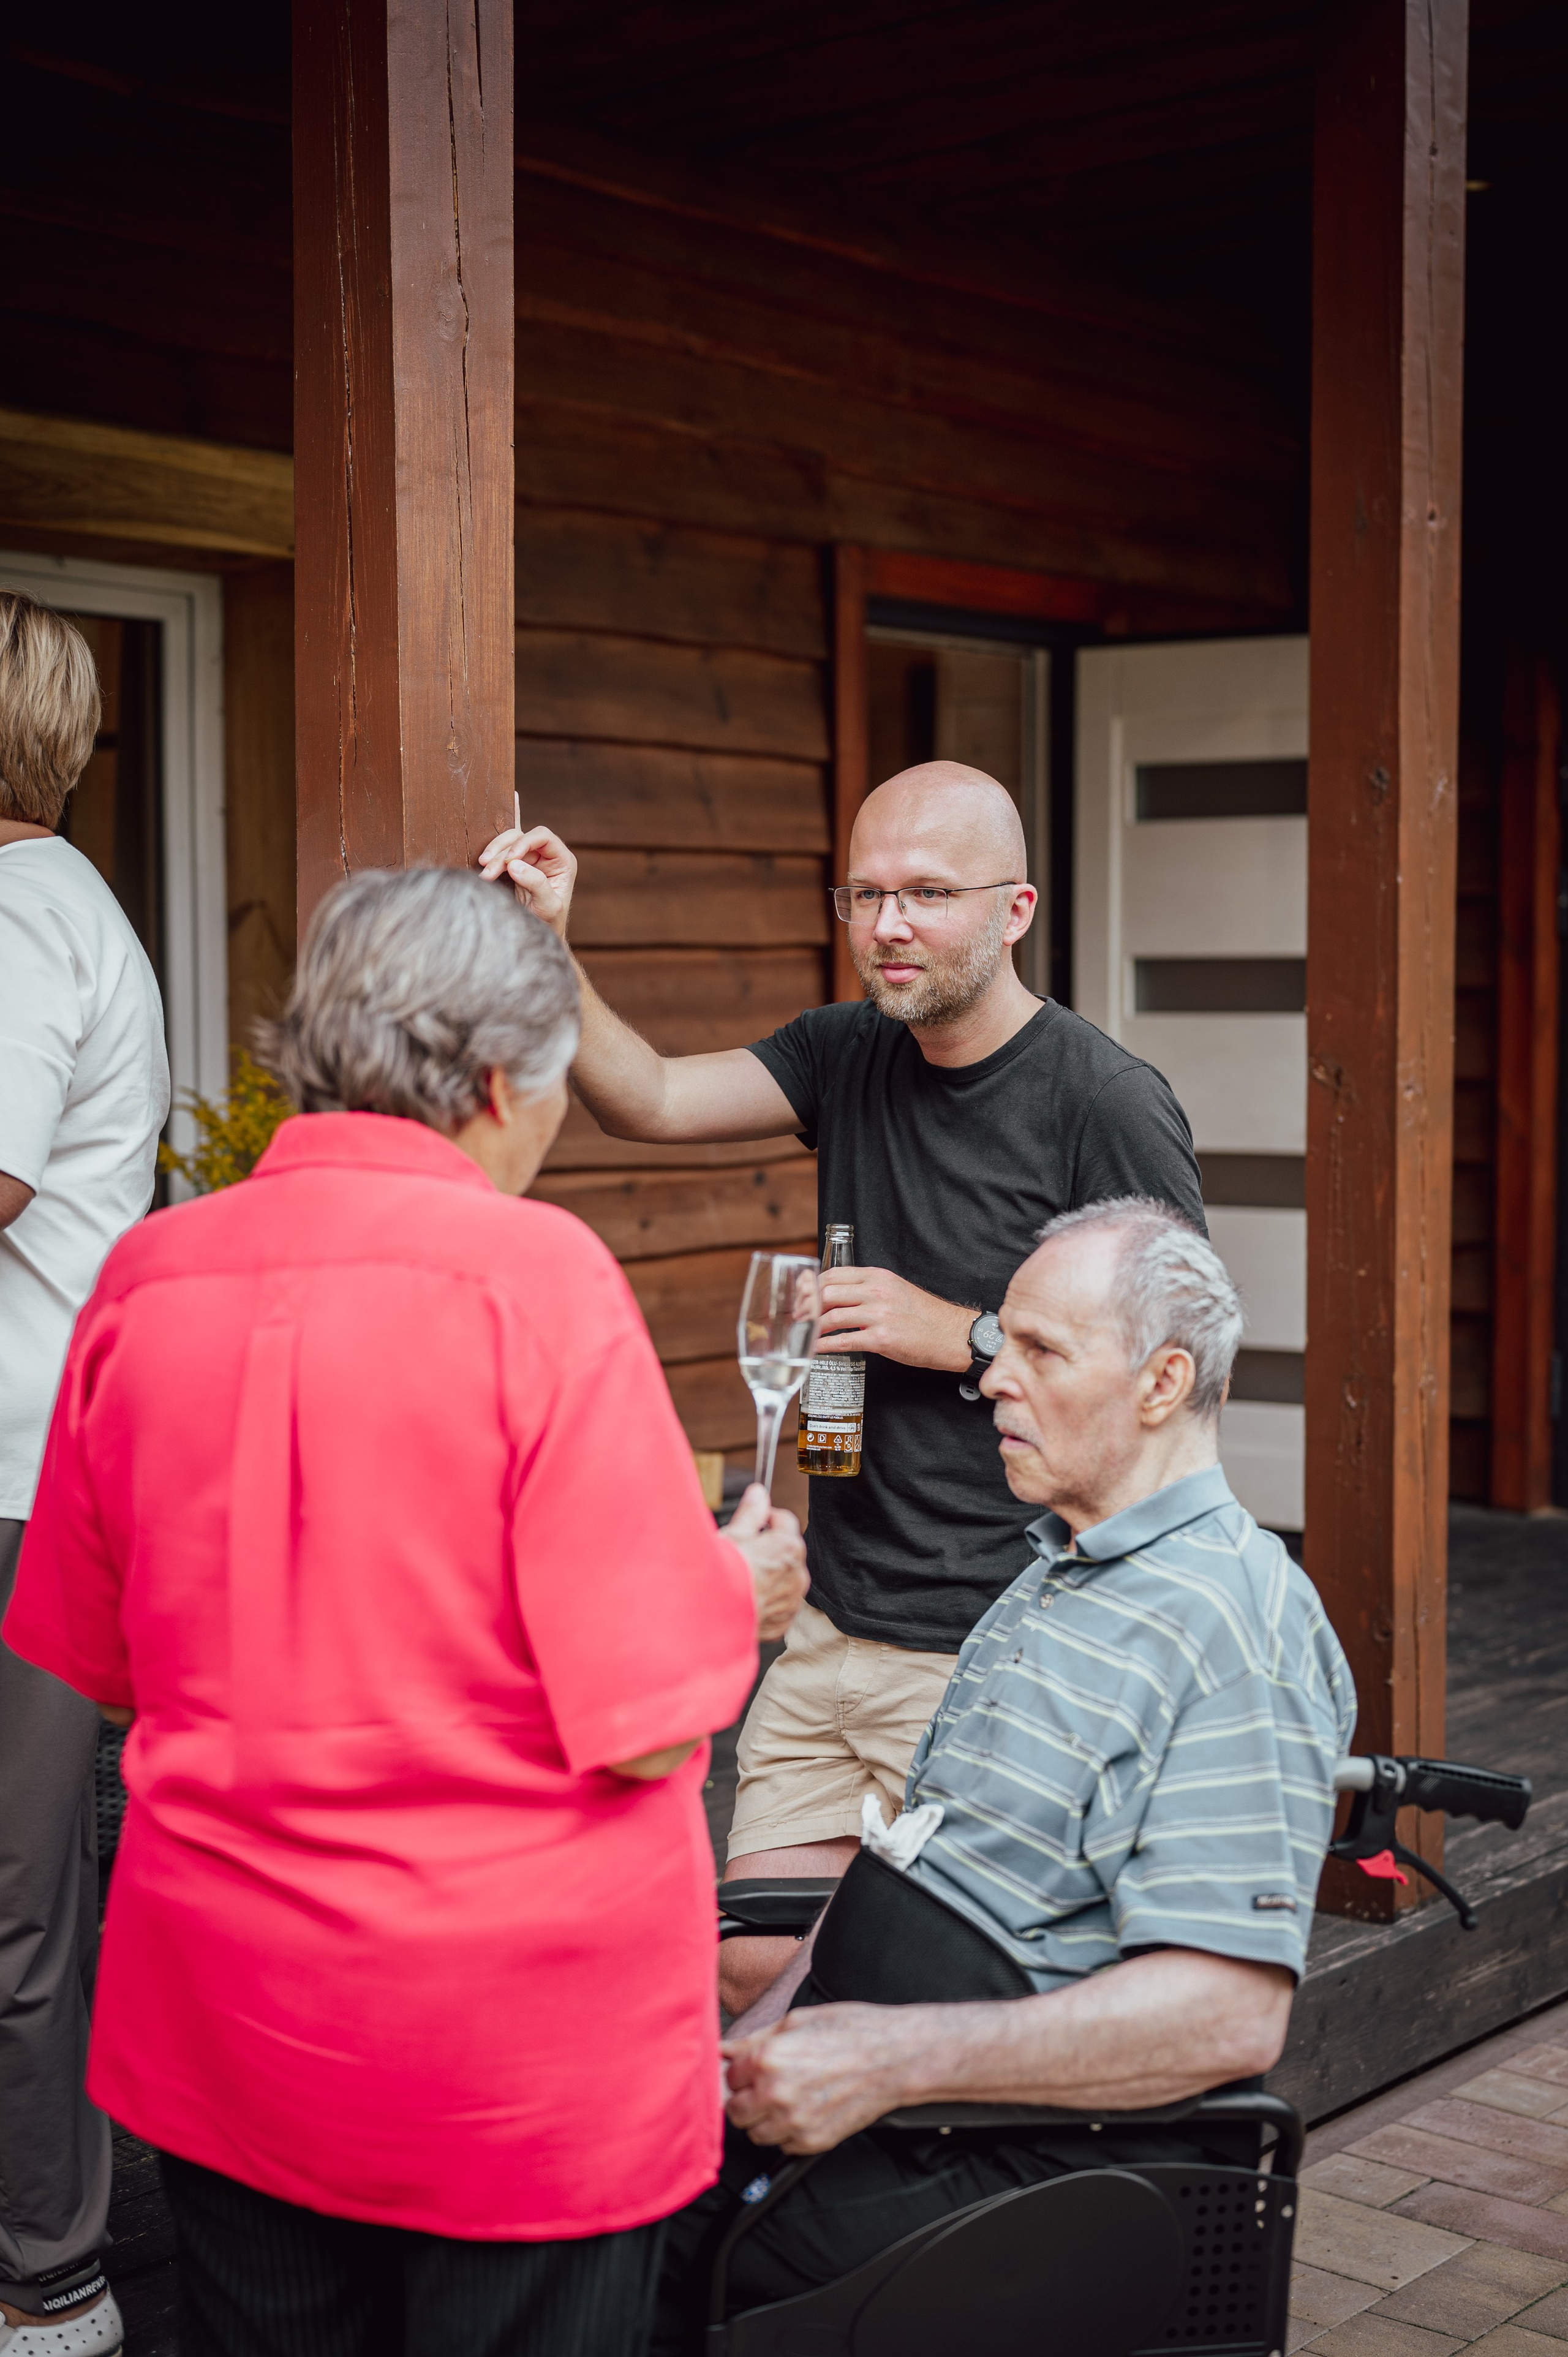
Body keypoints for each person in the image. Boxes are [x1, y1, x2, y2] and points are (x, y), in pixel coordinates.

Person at [2, 865, 809, 2357]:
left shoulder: (141, 1277)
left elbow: (101, 1659)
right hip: (506, 2062)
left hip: (232, 2028)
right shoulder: (538, 1279)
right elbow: (641, 1727)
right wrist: (737, 1585)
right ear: (498, 1083)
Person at [479, 764, 1207, 2009]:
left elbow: (1175, 1384)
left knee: (925, 1986)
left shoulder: (1103, 1101)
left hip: (998, 1639)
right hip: (833, 1621)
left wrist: (961, 1336)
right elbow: (646, 1097)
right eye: (863, 894)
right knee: (750, 1960)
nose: (887, 926)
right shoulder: (843, 1053)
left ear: (1014, 908)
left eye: (926, 893)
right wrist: (551, 943)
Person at [652, 1198, 1356, 2350]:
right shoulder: (1050, 1577)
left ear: (1164, 1382)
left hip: (1009, 2160)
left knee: (588, 2256)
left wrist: (884, 2061)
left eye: (1039, 1350)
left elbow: (1230, 2016)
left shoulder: (1236, 1625)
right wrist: (736, 2065)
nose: (989, 1381)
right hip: (892, 2112)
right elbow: (897, 1877)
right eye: (1002, 1343)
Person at [0, 590, 170, 2355]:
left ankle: (49, 2281)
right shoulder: (51, 904)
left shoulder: (16, 916)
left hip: (11, 1481)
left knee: (13, 1896)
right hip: (31, 1468)